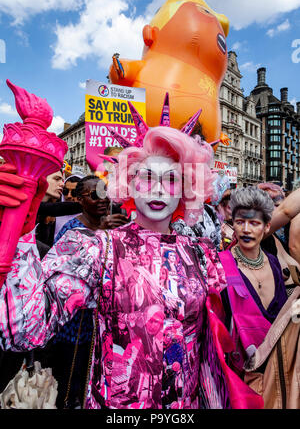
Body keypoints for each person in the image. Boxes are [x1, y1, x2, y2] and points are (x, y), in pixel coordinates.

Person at [0, 111, 264, 409]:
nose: (159, 188)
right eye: (147, 176)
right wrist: (16, 227)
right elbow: (23, 332)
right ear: (128, 181)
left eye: (172, 179)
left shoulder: (202, 255)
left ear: (187, 189)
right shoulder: (98, 249)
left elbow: (225, 344)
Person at [219, 186, 288, 377]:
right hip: (238, 378)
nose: (246, 229)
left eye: (254, 223)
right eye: (240, 222)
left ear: (267, 226)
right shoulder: (220, 266)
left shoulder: (274, 264)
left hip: (277, 374)